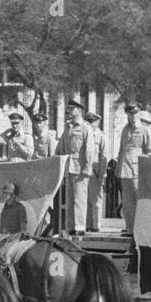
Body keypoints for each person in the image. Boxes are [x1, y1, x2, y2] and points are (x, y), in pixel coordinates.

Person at [116, 100, 151, 234]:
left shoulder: (144, 130)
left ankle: (141, 228)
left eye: (135, 113)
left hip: (137, 168)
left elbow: (150, 151)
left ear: (139, 113)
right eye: (130, 113)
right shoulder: (125, 129)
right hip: (124, 168)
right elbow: (121, 149)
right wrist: (118, 167)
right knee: (127, 201)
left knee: (138, 199)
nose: (133, 115)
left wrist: (146, 168)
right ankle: (130, 228)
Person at [55, 100, 94, 235]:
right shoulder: (69, 128)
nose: (69, 112)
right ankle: (70, 227)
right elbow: (61, 147)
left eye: (71, 109)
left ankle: (79, 227)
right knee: (70, 199)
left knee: (80, 199)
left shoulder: (85, 128)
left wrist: (87, 167)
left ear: (78, 110)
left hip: (80, 167)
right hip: (69, 167)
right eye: (68, 109)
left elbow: (89, 149)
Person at [83, 111, 107, 232]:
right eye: (88, 121)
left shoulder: (101, 136)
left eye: (92, 121)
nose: (90, 123)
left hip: (96, 171)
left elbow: (104, 156)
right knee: (85, 199)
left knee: (96, 200)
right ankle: (87, 225)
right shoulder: (84, 134)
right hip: (84, 170)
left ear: (98, 122)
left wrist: (102, 174)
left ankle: (96, 225)